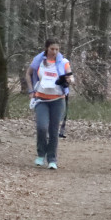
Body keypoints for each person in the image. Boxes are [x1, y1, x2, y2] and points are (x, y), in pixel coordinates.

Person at [26, 39, 72, 170]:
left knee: (53, 130)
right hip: (41, 99)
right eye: (52, 49)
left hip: (58, 100)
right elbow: (28, 74)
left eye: (57, 49)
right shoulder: (38, 60)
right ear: (47, 48)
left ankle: (52, 158)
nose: (55, 52)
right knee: (42, 127)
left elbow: (70, 76)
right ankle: (41, 154)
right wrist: (30, 91)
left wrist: (69, 80)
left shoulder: (63, 62)